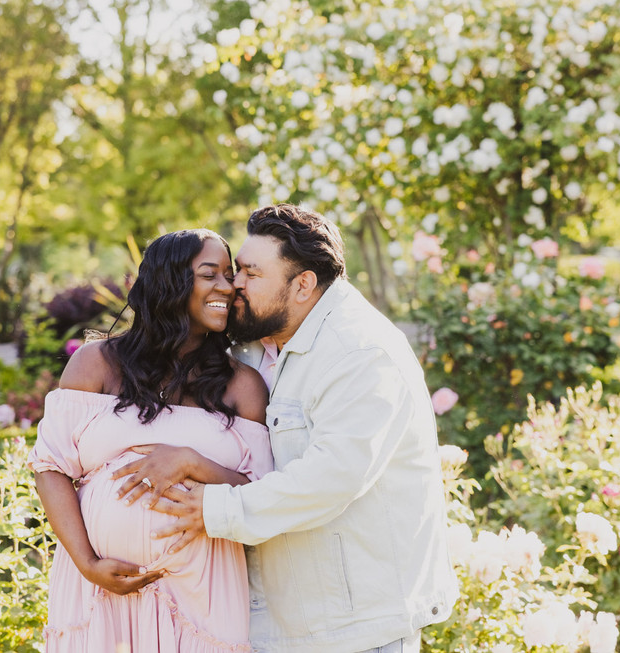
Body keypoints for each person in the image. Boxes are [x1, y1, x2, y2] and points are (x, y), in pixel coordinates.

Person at [125, 205, 459, 652]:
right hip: (287, 624)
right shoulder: (264, 348)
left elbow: (332, 477)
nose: (234, 283)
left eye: (249, 273)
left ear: (303, 284)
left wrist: (214, 509)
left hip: (354, 631)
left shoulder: (360, 353)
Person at [27, 228, 273, 652]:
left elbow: (264, 498)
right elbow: (51, 467)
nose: (228, 286)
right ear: (169, 282)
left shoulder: (243, 385)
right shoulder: (96, 363)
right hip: (98, 593)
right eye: (209, 273)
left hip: (203, 596)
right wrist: (88, 564)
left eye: (229, 274)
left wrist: (192, 462)